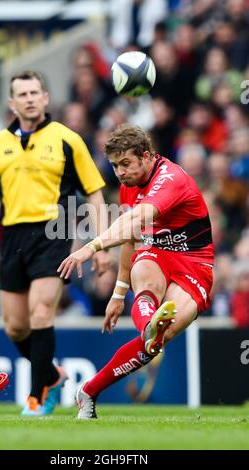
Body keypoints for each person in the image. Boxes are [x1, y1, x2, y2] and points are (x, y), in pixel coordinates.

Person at [0, 70, 110, 416]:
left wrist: (101, 244)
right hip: (12, 237)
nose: (29, 98)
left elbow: (95, 194)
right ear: (12, 103)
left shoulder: (67, 140)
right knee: (15, 325)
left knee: (41, 310)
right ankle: (52, 374)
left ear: (45, 98)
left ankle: (37, 396)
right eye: (22, 94)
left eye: (35, 92)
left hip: (53, 233)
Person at [58, 124, 214, 419]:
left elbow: (135, 221)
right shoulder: (128, 186)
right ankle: (149, 327)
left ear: (147, 156)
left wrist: (91, 247)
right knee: (146, 269)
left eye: (125, 163)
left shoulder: (171, 178)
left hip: (195, 263)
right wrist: (118, 293)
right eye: (115, 165)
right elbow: (132, 239)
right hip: (156, 254)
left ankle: (88, 390)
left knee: (157, 343)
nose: (120, 172)